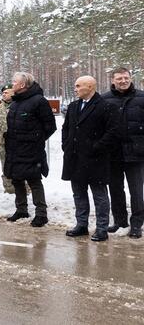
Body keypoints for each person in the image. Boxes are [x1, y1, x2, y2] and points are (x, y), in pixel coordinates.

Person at [62, 76, 120, 242]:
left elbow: (113, 132)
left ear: (90, 86)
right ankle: (81, 225)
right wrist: (66, 145)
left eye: (78, 86)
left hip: (96, 159)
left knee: (99, 195)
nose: (75, 88)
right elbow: (66, 129)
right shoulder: (73, 106)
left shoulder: (106, 106)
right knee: (78, 193)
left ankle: (102, 228)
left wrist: (96, 147)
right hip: (74, 158)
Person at [4, 72, 56, 228]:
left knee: (34, 180)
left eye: (14, 82)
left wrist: (35, 139)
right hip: (14, 148)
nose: (12, 84)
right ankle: (21, 210)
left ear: (22, 85)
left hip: (31, 149)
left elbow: (50, 126)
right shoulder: (15, 102)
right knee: (16, 179)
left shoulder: (39, 101)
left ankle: (41, 214)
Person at [102, 67, 144, 239]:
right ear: (113, 80)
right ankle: (120, 221)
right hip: (113, 153)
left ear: (130, 78)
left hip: (137, 152)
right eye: (119, 78)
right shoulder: (104, 99)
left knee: (136, 190)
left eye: (125, 78)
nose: (123, 81)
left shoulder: (142, 97)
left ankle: (137, 224)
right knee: (115, 189)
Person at [0, 84, 16, 194]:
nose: (4, 94)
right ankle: (9, 190)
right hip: (3, 144)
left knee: (19, 167)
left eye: (6, 92)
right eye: (3, 92)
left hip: (18, 144)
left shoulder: (19, 105)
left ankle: (24, 189)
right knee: (5, 166)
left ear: (14, 92)